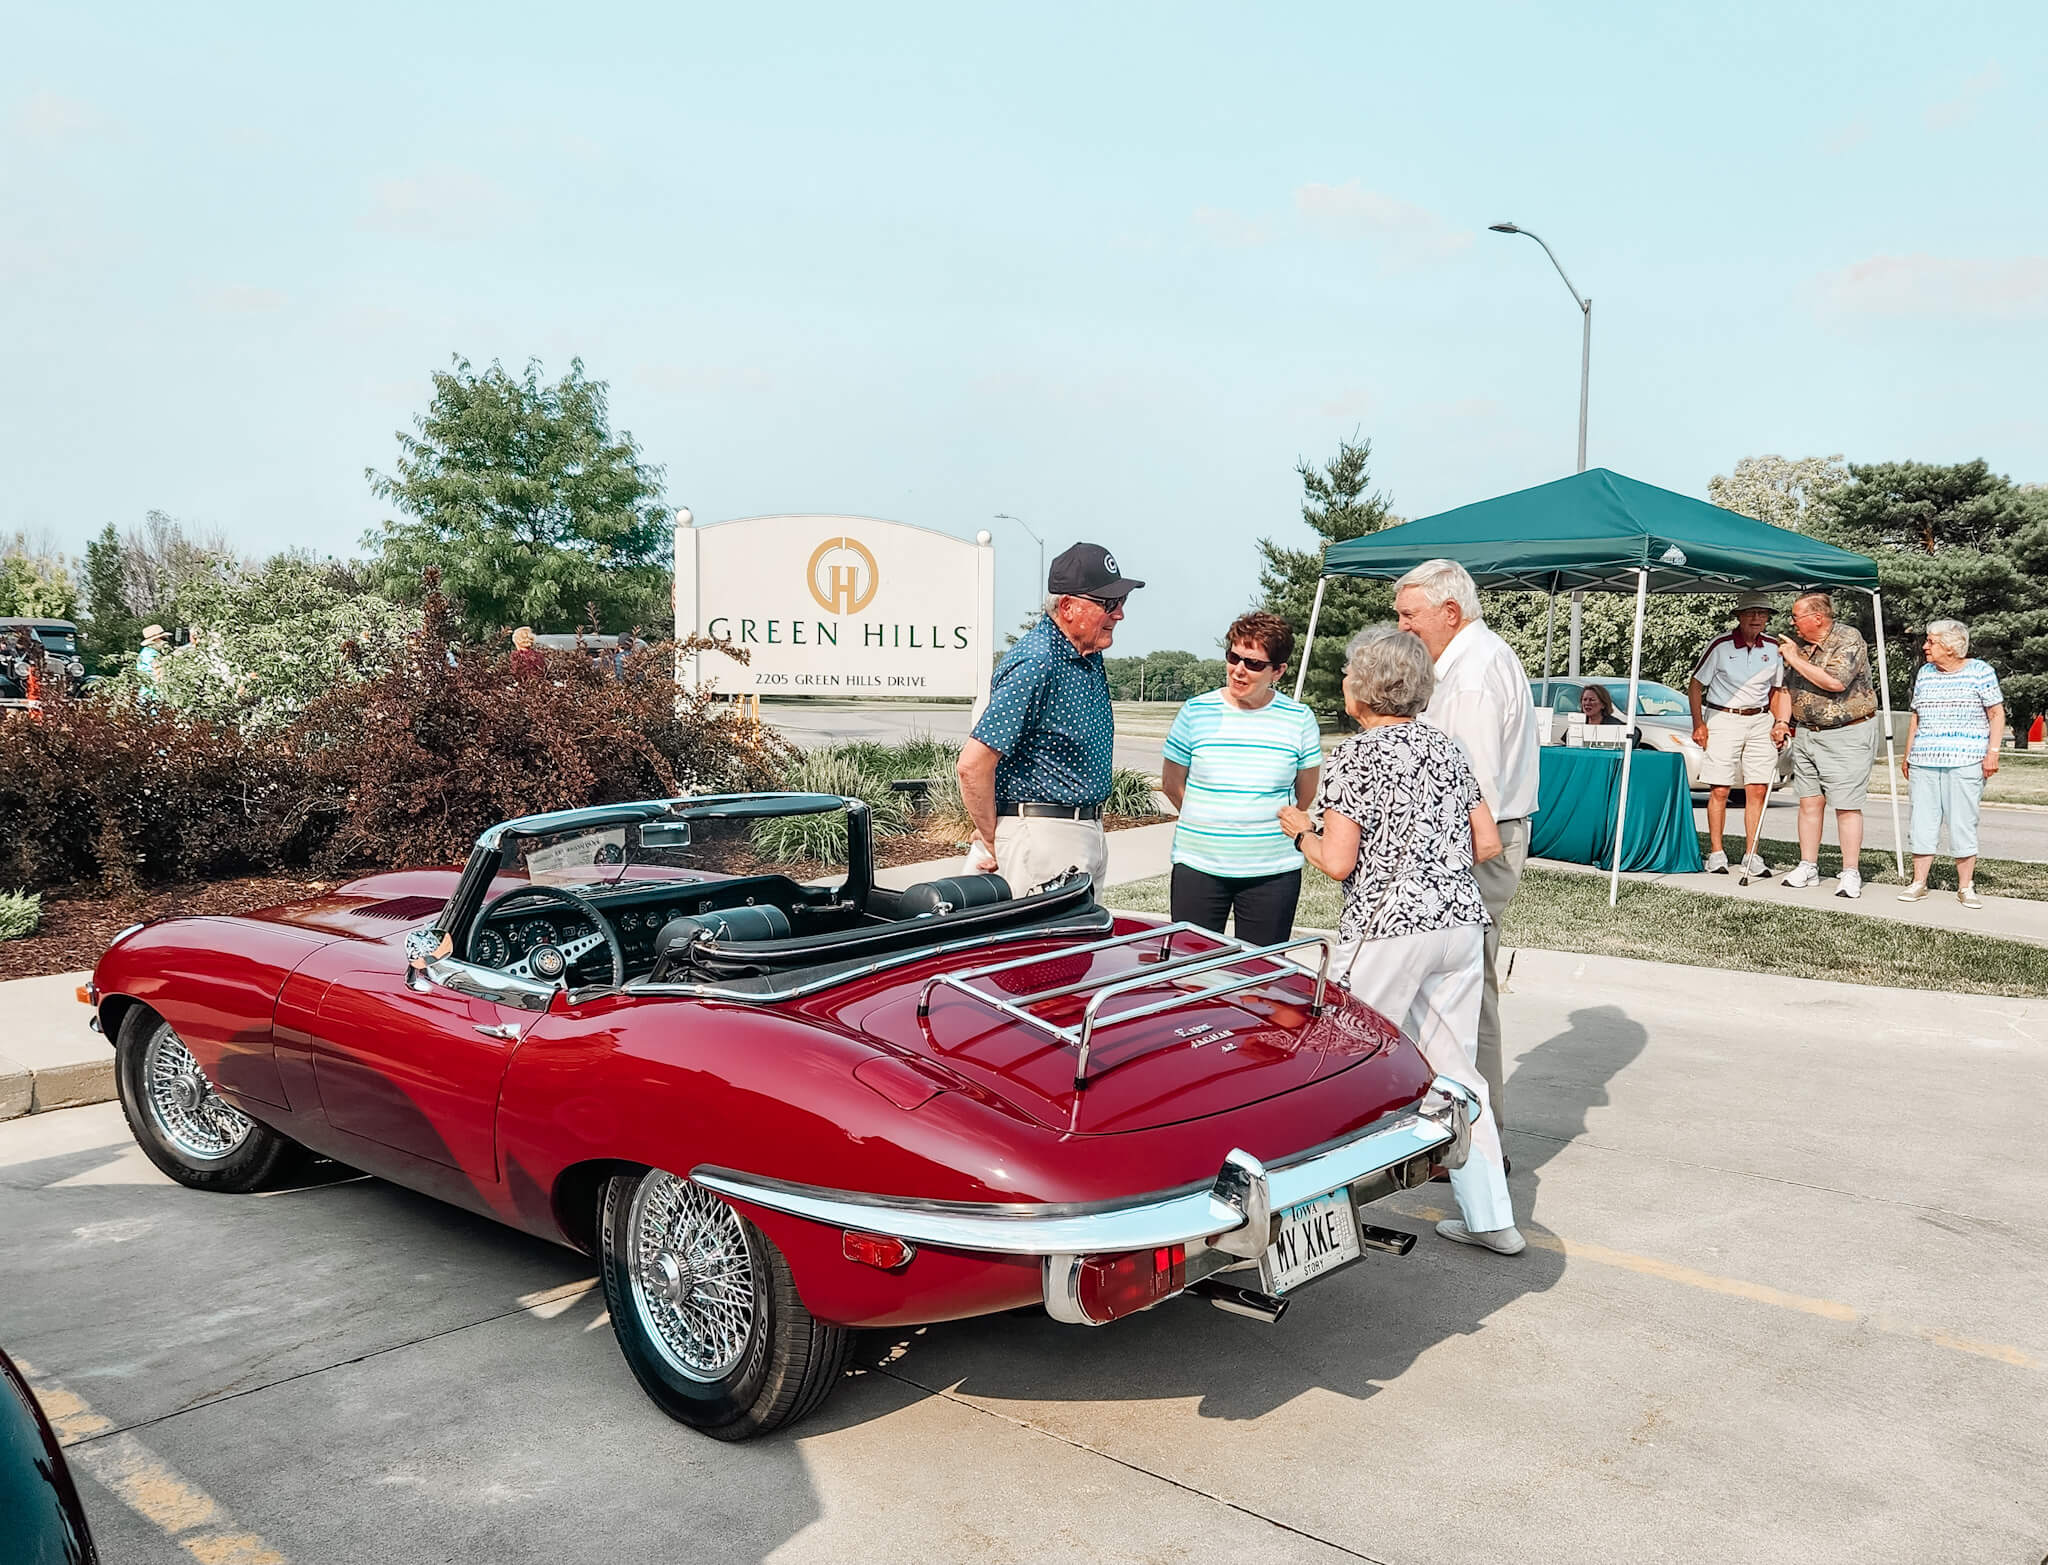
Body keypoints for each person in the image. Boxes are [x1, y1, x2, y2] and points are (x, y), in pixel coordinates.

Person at [1278, 626, 1521, 1256]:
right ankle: (1492, 1216)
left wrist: (1299, 831)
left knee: (1340, 1058)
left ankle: (1310, 1210)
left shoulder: (1355, 756)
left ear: (1363, 688)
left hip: (1389, 926)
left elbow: (1337, 861)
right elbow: (1487, 843)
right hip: (1458, 921)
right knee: (1458, 1072)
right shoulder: (1446, 747)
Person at [1393, 558, 1538, 1145]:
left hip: (1474, 848)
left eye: (1409, 615)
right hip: (1479, 842)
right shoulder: (1471, 660)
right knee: (1463, 991)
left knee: (1465, 995)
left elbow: (1469, 788)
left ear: (1450, 612)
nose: (1401, 627)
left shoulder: (1474, 673)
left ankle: (1480, 1143)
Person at [956, 543, 1142, 895]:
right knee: (1042, 948)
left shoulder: (1084, 655)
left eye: (1121, 603)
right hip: (1044, 839)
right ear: (1068, 607)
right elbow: (973, 765)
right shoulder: (1038, 662)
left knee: (1079, 948)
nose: (1119, 615)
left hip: (1080, 834)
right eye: (1108, 604)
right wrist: (995, 837)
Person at [1160, 611, 1322, 946]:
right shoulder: (1195, 711)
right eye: (1233, 657)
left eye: (1253, 663)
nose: (1239, 669)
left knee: (1263, 980)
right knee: (1189, 973)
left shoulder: (1299, 719)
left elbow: (1304, 793)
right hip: (1198, 865)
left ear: (1278, 671)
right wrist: (1211, 817)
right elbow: (1173, 783)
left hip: (1272, 871)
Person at [1775, 591, 1879, 898]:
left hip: (1846, 732)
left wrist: (1794, 657)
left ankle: (1850, 872)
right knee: (1808, 801)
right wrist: (1782, 722)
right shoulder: (1800, 648)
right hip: (1807, 732)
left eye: (1797, 617)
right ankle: (1808, 865)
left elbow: (1836, 682)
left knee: (1846, 805)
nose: (1793, 623)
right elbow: (1785, 689)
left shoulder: (1848, 638)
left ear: (1817, 618)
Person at [1897, 619, 2004, 910]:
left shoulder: (1981, 671)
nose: (1925, 646)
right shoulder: (1926, 673)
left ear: (1951, 645)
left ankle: (1965, 886)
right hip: (1925, 759)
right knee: (1922, 820)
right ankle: (1919, 882)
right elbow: (1916, 716)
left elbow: (1996, 714)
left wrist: (1992, 752)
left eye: (1931, 642)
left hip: (1967, 759)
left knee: (1962, 821)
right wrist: (1908, 755)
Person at [1687, 594, 1790, 876]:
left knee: (1757, 788)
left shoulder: (1773, 648)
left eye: (1762, 613)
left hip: (1759, 720)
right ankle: (1717, 852)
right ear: (1739, 616)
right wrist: (1699, 724)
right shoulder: (1720, 645)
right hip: (1723, 717)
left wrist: (1780, 722)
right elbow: (1696, 685)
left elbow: (1778, 690)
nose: (1757, 618)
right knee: (1720, 788)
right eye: (1751, 613)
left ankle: (1751, 854)